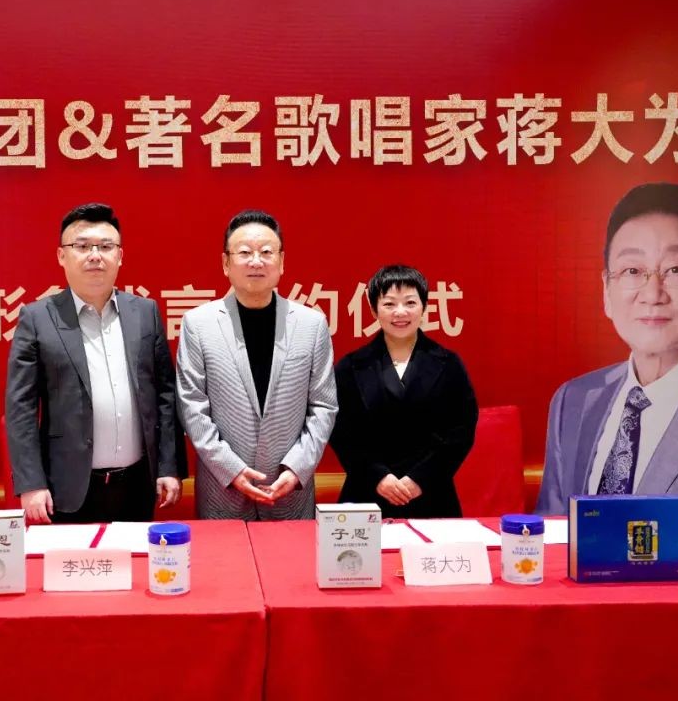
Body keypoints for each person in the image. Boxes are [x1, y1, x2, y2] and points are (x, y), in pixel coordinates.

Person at [536, 182, 678, 515]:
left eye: (676, 270)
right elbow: (553, 534)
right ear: (606, 291)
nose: (652, 294)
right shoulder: (573, 400)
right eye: (632, 271)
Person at [5, 202, 184, 524]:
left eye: (105, 246)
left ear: (120, 255)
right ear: (62, 256)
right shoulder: (37, 318)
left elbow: (165, 396)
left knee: (135, 558)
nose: (95, 255)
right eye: (82, 246)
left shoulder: (145, 313)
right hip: (67, 487)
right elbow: (21, 409)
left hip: (138, 485)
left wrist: (168, 466)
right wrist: (31, 483)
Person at [176, 209, 337, 520]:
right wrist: (231, 469)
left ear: (281, 262)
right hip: (223, 494)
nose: (256, 261)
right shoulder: (198, 324)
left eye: (266, 252)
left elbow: (324, 406)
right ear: (226, 263)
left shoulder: (311, 324)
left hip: (289, 493)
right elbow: (192, 406)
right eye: (244, 252)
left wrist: (297, 468)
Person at [329, 265, 478, 518]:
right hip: (367, 491)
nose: (400, 312)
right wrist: (379, 476)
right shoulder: (351, 366)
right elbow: (341, 431)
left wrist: (419, 479)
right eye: (389, 304)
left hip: (432, 493)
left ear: (424, 307)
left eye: (410, 302)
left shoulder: (448, 364)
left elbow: (461, 431)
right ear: (374, 309)